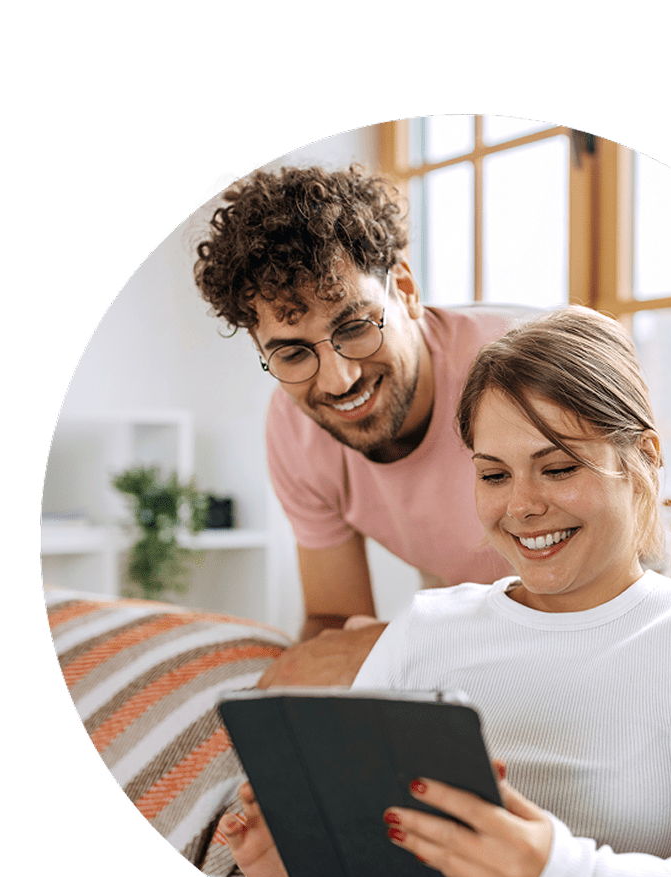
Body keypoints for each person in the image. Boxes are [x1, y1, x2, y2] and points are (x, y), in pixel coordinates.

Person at [220, 306, 671, 877]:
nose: (521, 507)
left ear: (645, 454)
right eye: (494, 474)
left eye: (558, 469)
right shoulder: (428, 625)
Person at [194, 165, 523, 687]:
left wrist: (405, 643)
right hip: (469, 622)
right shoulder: (295, 432)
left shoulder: (521, 375)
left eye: (354, 327)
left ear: (407, 291)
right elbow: (334, 619)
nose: (340, 379)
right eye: (293, 353)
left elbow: (584, 607)